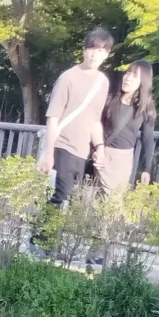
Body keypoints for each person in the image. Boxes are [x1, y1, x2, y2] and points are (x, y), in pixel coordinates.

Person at [38, 27, 114, 207]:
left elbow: (95, 120)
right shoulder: (68, 78)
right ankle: (42, 236)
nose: (95, 55)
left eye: (101, 51)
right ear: (84, 50)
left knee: (71, 202)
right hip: (61, 146)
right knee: (59, 198)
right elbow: (53, 117)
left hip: (82, 151)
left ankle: (50, 235)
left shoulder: (102, 82)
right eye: (92, 49)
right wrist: (49, 154)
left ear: (107, 54)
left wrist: (100, 148)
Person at [99, 60, 157, 194]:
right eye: (128, 73)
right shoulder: (109, 100)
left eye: (135, 76)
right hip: (103, 155)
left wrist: (147, 169)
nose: (128, 78)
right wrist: (97, 149)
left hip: (123, 161)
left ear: (143, 82)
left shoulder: (145, 108)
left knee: (114, 204)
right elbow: (96, 125)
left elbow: (147, 139)